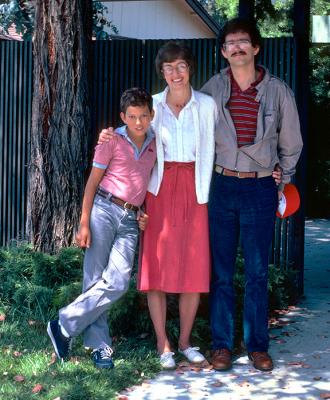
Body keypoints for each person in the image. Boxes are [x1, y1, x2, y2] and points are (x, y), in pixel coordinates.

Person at [99, 41, 217, 369]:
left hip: (196, 190)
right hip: (159, 190)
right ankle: (163, 343)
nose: (175, 73)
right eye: (168, 67)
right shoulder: (153, 106)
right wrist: (109, 135)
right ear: (161, 72)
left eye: (180, 65)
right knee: (158, 268)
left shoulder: (207, 105)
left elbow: (218, 145)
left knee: (194, 268)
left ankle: (185, 341)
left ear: (190, 68)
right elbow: (131, 132)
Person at [201, 18, 303, 372]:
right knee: (221, 273)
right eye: (231, 43)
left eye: (244, 42)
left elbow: (292, 142)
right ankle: (221, 346)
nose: (238, 47)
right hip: (222, 186)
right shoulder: (211, 90)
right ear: (223, 51)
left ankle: (258, 347)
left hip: (261, 187)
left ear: (256, 48)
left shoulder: (278, 90)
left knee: (258, 272)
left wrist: (281, 177)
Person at [47, 87, 156, 369]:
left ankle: (63, 324)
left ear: (152, 115)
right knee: (94, 278)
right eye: (132, 116)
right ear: (123, 117)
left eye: (144, 116)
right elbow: (93, 183)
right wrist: (84, 222)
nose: (139, 122)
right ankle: (100, 348)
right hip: (104, 209)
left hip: (131, 219)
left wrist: (143, 211)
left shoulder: (157, 144)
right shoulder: (111, 141)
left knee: (118, 282)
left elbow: (147, 183)